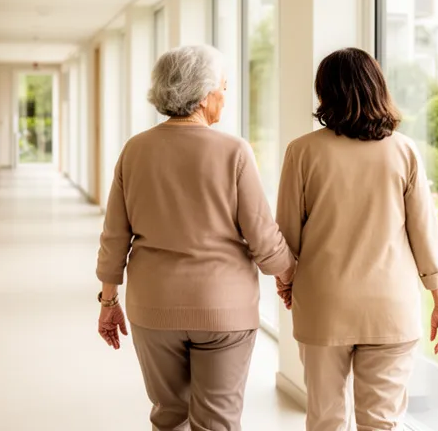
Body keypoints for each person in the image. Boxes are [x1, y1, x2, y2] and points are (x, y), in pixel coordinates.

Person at [95, 44, 296, 431]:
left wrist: (108, 301)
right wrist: (286, 275)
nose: (225, 95)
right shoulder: (234, 152)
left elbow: (114, 236)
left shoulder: (135, 151)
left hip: (154, 308)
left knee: (169, 416)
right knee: (217, 422)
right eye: (222, 86)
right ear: (204, 95)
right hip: (224, 310)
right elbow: (262, 235)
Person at [275, 47, 438, 431]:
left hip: (324, 305)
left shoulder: (302, 152)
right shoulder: (404, 151)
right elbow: (425, 232)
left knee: (325, 420)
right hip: (391, 307)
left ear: (325, 92)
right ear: (377, 88)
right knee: (381, 423)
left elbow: (286, 235)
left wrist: (288, 282)